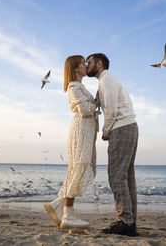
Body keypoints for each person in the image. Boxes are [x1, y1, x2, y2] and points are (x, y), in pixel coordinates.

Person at [86, 53, 138, 236]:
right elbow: (112, 106)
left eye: (89, 62)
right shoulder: (108, 80)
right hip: (130, 126)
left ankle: (126, 221)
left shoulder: (106, 80)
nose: (87, 65)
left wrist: (106, 132)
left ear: (99, 64)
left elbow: (112, 112)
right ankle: (130, 222)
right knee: (127, 177)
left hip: (121, 128)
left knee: (116, 176)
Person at [44, 55, 99, 229]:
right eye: (83, 63)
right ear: (75, 68)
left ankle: (59, 204)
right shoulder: (73, 87)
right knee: (79, 167)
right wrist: (97, 102)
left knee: (80, 168)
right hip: (81, 130)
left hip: (85, 130)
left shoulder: (79, 86)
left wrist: (95, 102)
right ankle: (67, 214)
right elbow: (84, 109)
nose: (85, 66)